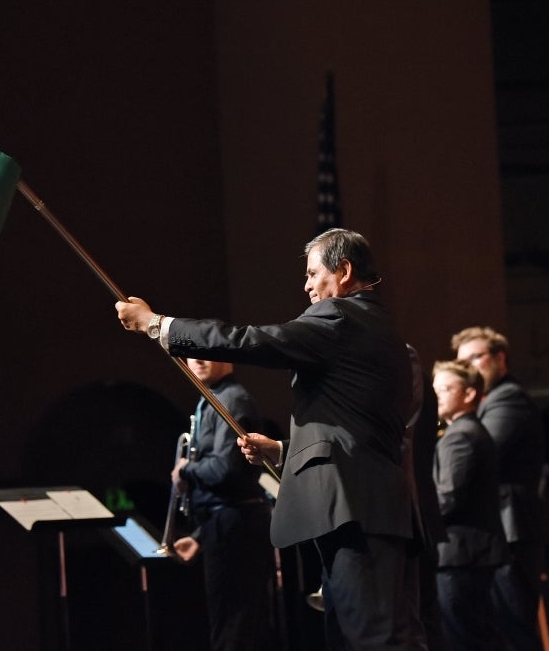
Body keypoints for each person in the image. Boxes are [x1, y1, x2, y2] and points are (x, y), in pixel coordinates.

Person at [116, 228, 417, 650]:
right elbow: (357, 430)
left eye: (313, 274)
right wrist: (282, 451)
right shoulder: (378, 325)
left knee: (373, 639)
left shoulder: (341, 317)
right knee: (358, 637)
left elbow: (253, 340)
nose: (307, 285)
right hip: (371, 505)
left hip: (355, 508)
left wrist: (156, 325)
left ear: (344, 271)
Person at [451, 326, 544, 651]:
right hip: (499, 532)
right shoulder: (488, 402)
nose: (470, 367)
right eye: (463, 361)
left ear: (499, 358)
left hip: (512, 529)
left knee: (514, 627)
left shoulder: (509, 399)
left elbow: (479, 453)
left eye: (476, 357)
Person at [170, 358, 273, 651]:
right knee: (229, 624)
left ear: (227, 358)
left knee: (234, 629)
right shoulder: (212, 398)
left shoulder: (231, 399)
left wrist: (184, 470)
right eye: (191, 353)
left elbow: (224, 470)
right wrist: (201, 537)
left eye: (206, 351)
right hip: (221, 525)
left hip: (236, 528)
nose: (197, 360)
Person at [431, 360, 508, 650]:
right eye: (435, 389)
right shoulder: (471, 430)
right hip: (472, 553)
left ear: (469, 394)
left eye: (446, 388)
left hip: (460, 554)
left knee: (464, 638)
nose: (437, 396)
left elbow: (447, 499)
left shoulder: (459, 436)